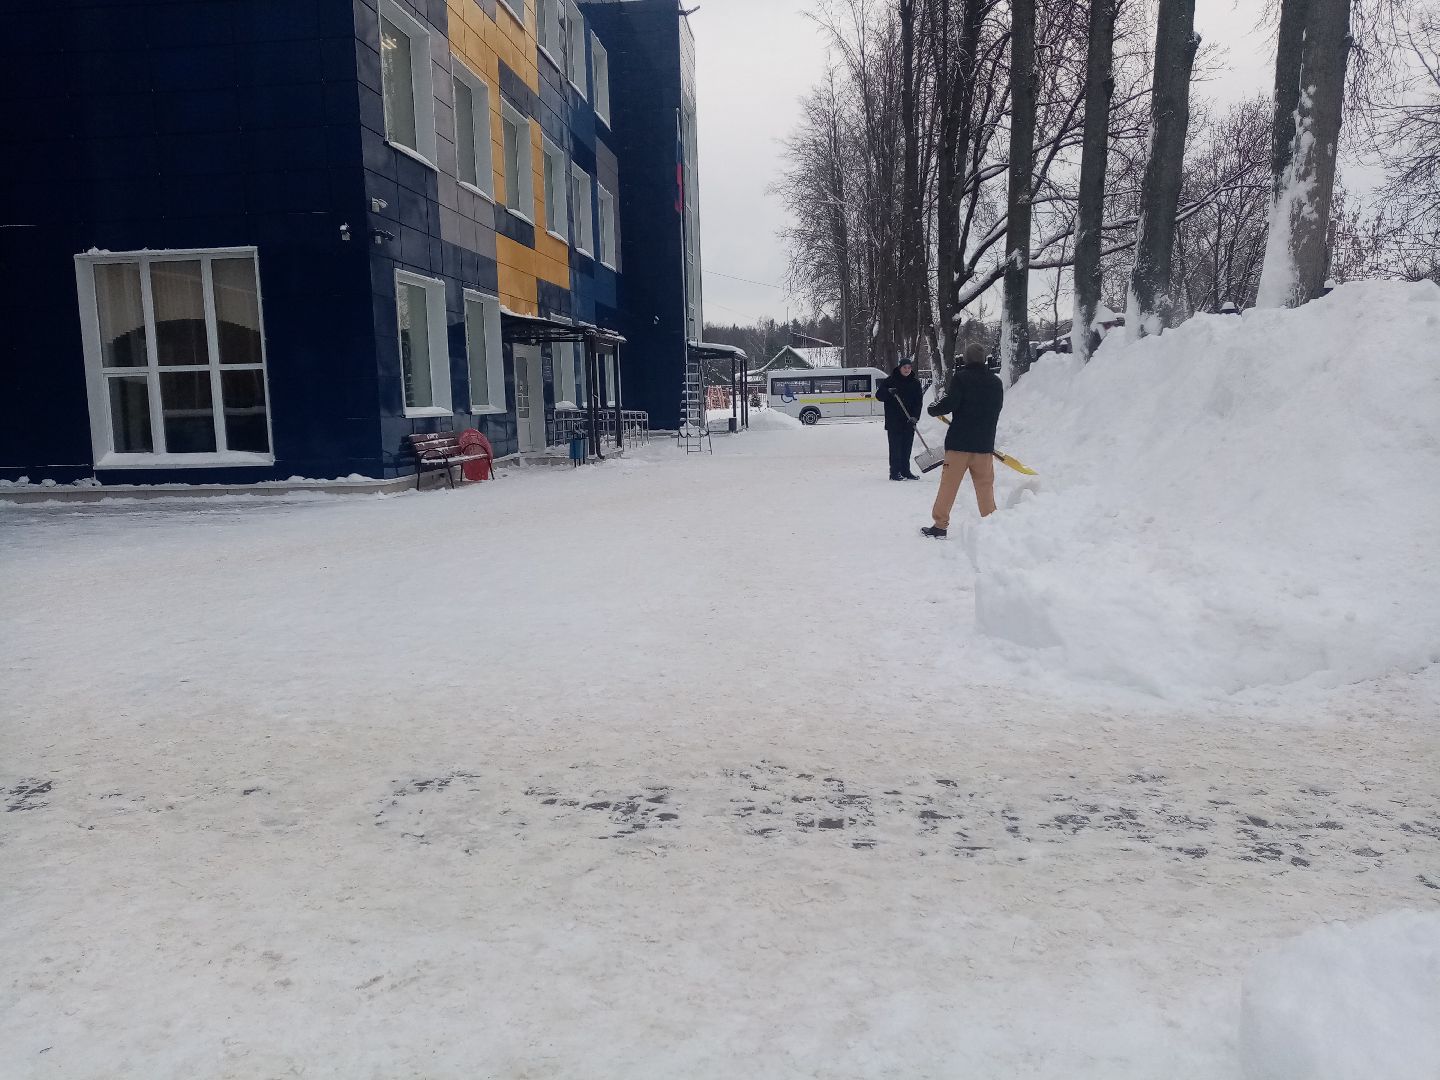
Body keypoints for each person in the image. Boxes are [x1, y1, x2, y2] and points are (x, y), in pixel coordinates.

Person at [921, 342, 1004, 537]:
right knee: (985, 487)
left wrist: (933, 408)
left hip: (959, 445)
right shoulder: (995, 382)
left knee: (949, 486)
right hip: (984, 445)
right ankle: (992, 526)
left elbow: (948, 404)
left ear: (966, 359)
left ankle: (940, 526)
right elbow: (996, 409)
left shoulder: (962, 378)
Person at [874, 357, 923, 481]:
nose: (907, 370)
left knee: (906, 448)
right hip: (894, 421)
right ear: (900, 368)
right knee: (896, 449)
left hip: (909, 421)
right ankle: (895, 472)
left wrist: (915, 417)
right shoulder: (890, 380)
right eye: (904, 367)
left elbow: (919, 402)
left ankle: (906, 471)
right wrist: (888, 391)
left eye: (909, 367)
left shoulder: (915, 383)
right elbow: (879, 395)